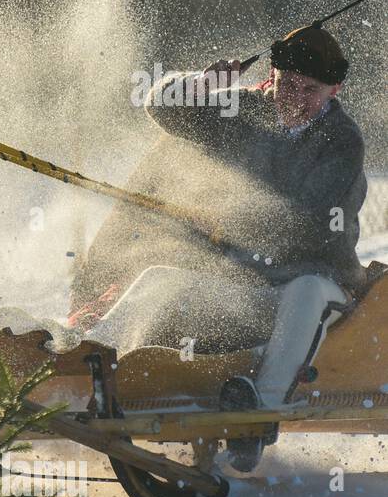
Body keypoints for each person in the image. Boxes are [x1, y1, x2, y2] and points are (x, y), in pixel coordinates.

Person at [69, 26, 367, 466]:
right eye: (287, 84)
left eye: (311, 90)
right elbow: (162, 109)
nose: (295, 99)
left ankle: (256, 417)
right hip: (247, 288)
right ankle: (78, 372)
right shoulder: (245, 107)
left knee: (306, 289)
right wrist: (202, 87)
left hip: (318, 288)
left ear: (334, 89)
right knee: (159, 283)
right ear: (272, 75)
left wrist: (232, 218)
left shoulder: (343, 141)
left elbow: (308, 223)